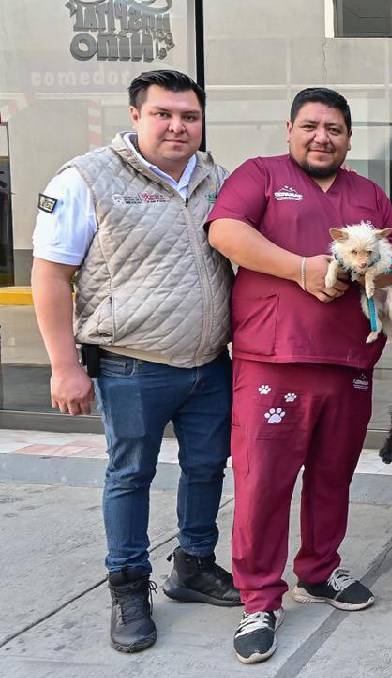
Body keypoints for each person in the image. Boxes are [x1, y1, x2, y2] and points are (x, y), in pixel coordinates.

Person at [30, 69, 239, 654]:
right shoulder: (87, 178)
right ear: (136, 116)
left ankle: (194, 564)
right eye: (164, 114)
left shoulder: (215, 179)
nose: (178, 126)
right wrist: (64, 366)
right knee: (130, 476)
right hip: (131, 365)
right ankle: (127, 586)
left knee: (207, 469)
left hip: (208, 363)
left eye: (189, 116)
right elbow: (49, 275)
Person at [207, 87, 392, 662]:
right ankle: (259, 597)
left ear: (349, 138)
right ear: (290, 129)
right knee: (263, 481)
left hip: (348, 360)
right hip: (275, 357)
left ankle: (320, 569)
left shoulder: (367, 193)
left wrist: (382, 263)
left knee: (333, 475)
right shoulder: (261, 176)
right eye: (311, 126)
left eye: (335, 129)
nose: (322, 137)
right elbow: (224, 230)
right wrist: (301, 269)